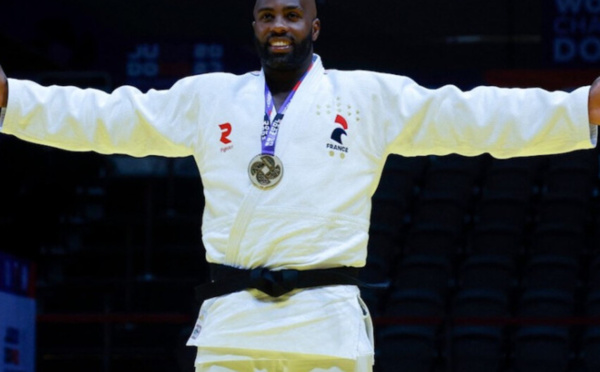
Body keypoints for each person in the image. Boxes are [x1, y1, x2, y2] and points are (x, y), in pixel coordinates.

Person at [2, 0, 600, 371]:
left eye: (292, 14)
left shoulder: (366, 96)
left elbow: (472, 116)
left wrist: (582, 109)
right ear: (254, 26)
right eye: (267, 16)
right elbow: (108, 118)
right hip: (234, 327)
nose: (279, 27)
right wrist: (13, 99)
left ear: (316, 24)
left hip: (327, 329)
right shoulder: (210, 98)